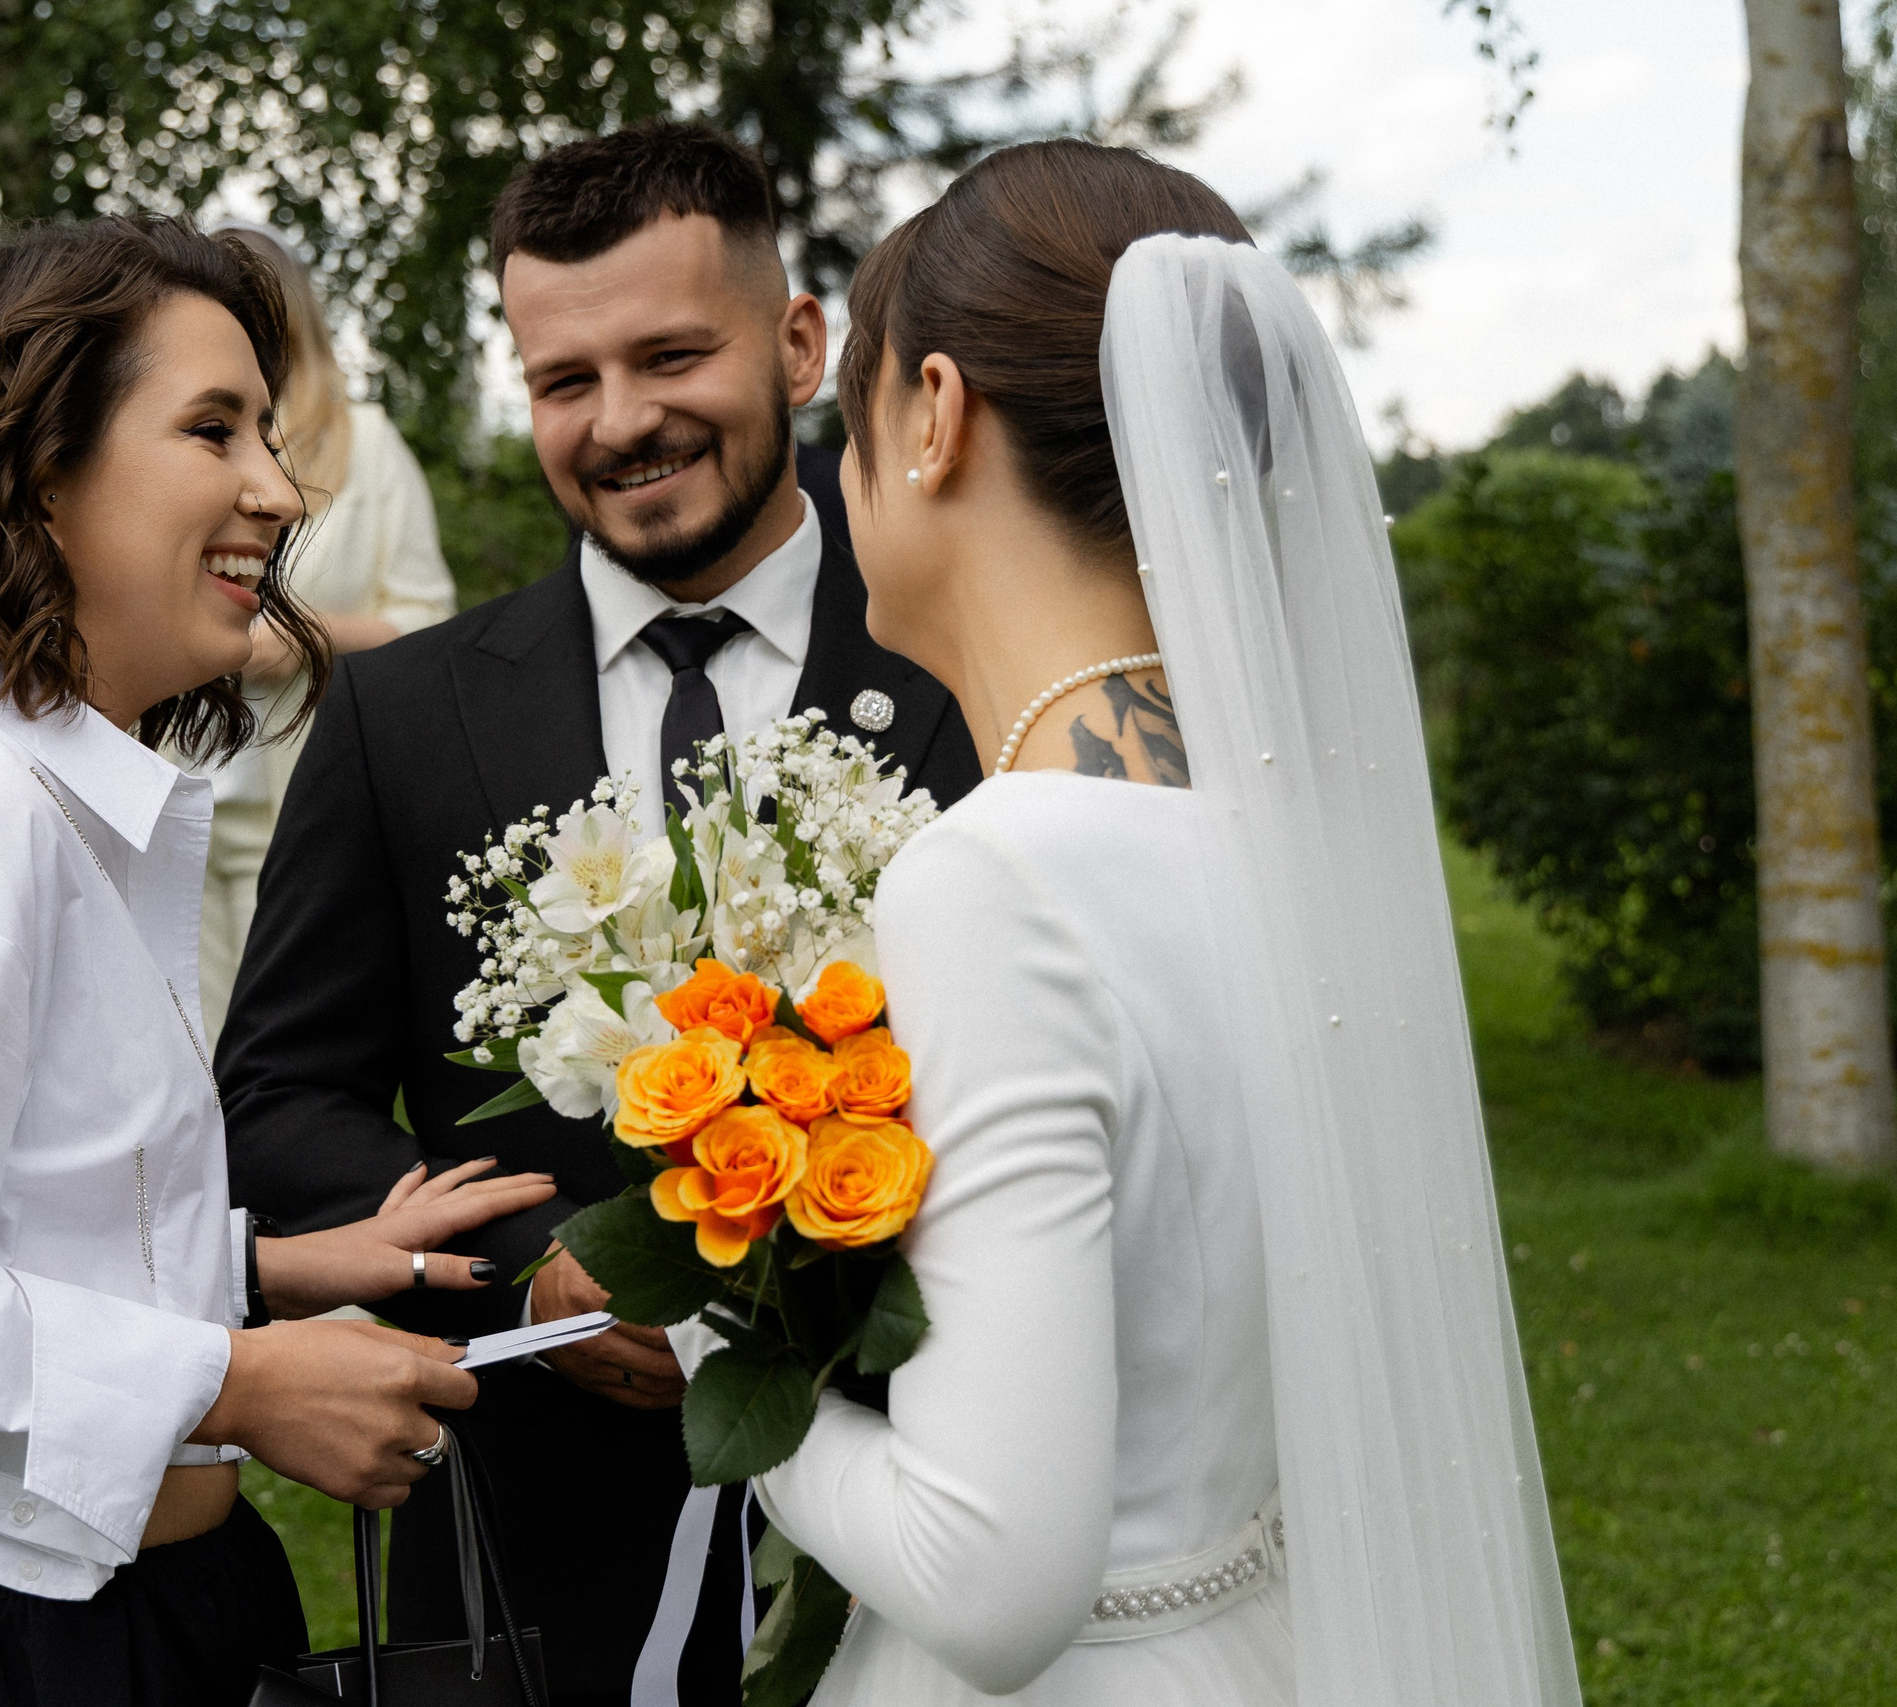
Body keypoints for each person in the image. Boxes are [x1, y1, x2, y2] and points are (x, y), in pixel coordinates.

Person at [664, 139, 1582, 1705]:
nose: (833, 473)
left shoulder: (997, 874)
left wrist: (701, 1316)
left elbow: (990, 1572)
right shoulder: (1295, 840)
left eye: (850, 419)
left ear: (936, 414)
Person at [0, 216, 559, 1705]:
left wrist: (252, 1267)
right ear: (35, 466)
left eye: (266, 428)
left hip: (147, 1607)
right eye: (214, 427)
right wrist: (235, 1377)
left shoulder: (52, 796)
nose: (278, 484)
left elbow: (6, 1201)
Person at [220, 122, 982, 1707]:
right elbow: (276, 1102)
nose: (622, 422)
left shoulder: (963, 661)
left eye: (672, 355)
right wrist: (534, 1258)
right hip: (528, 1543)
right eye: (565, 379)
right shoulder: (405, 713)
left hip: (942, 1503)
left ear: (796, 342)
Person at [173, 228, 457, 1041]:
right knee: (182, 1041)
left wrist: (303, 639)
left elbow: (430, 620)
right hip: (181, 792)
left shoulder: (364, 439)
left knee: (284, 1040)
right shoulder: (173, 436)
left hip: (305, 795)